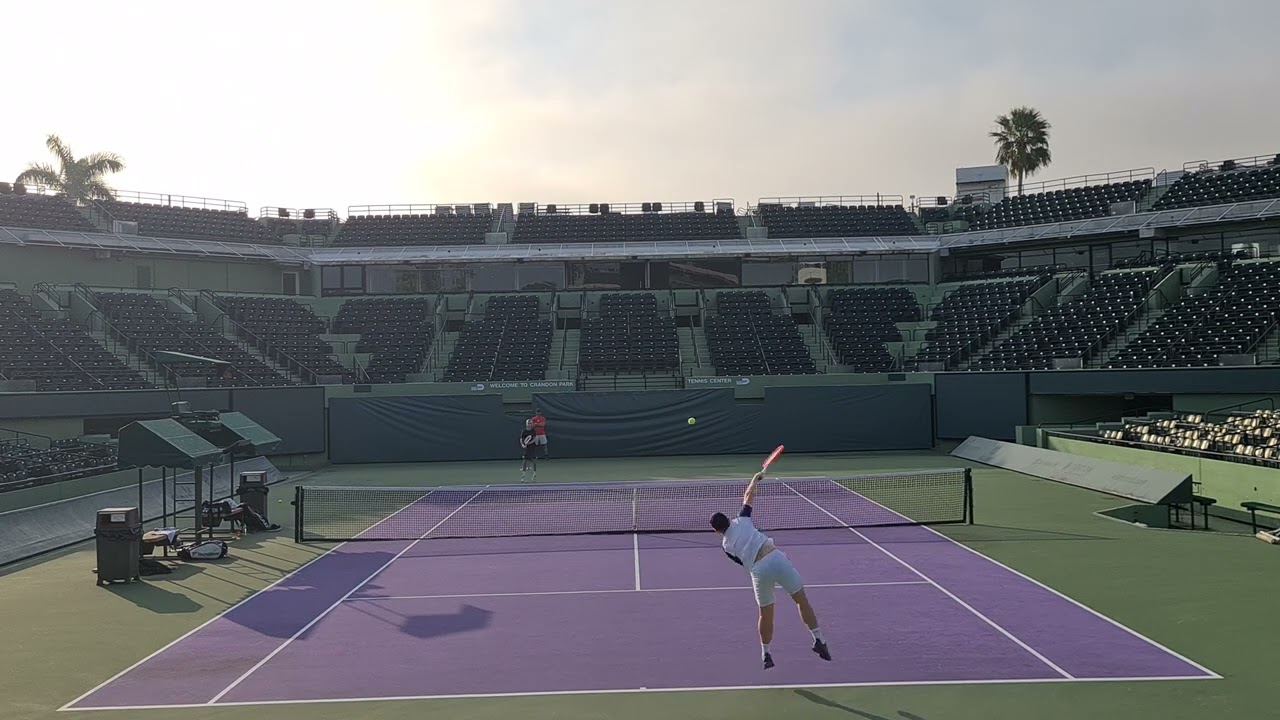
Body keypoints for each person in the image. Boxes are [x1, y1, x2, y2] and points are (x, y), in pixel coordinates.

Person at [710, 471, 831, 669]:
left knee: (765, 614)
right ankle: (819, 638)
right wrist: (755, 478)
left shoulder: (726, 547)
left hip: (758, 571)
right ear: (729, 520)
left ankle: (766, 653)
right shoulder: (742, 519)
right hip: (775, 558)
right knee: (800, 599)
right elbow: (748, 495)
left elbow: (743, 562)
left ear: (716, 531)